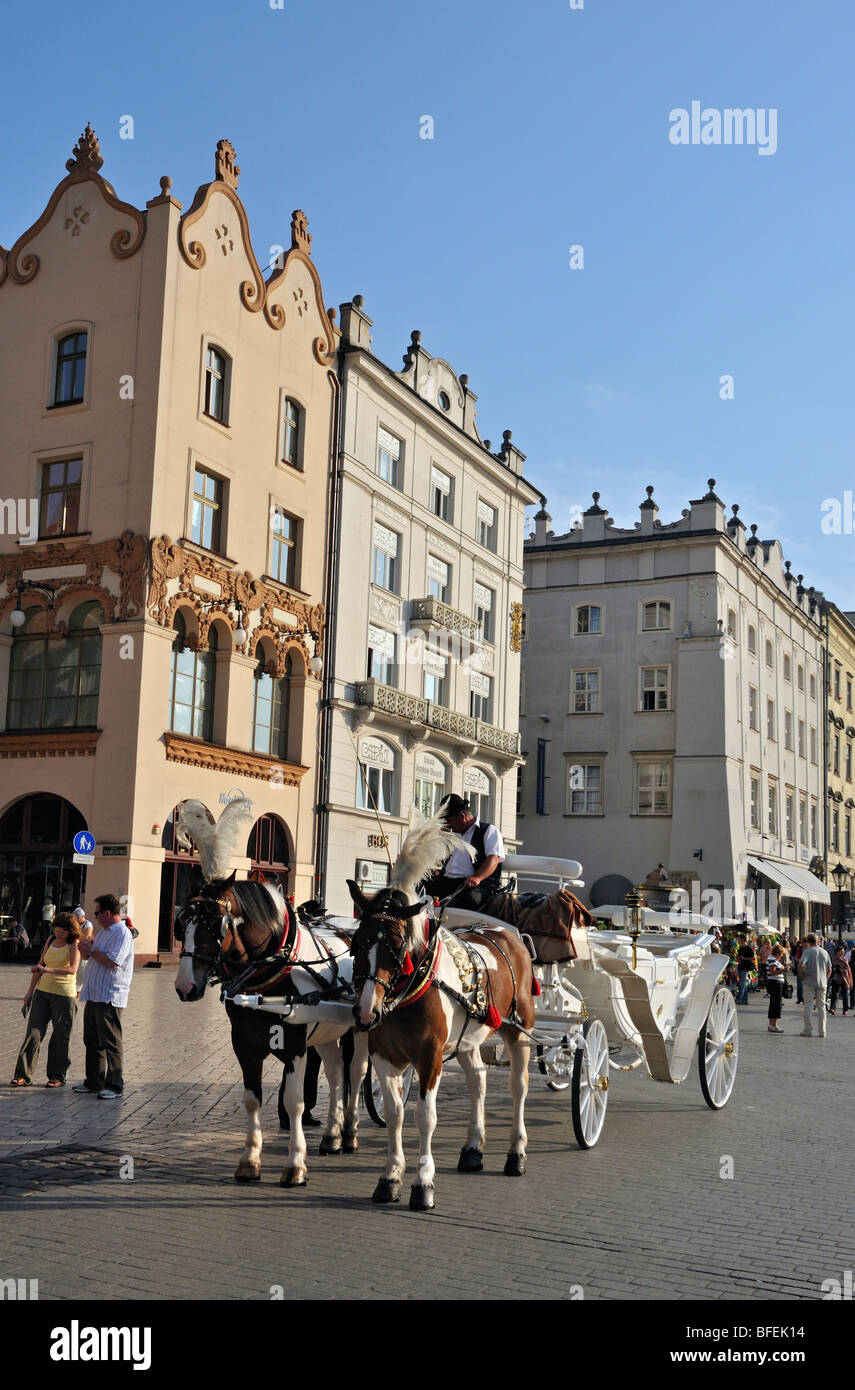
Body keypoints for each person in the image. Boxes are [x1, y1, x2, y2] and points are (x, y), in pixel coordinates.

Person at [72, 894, 135, 1099]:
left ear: (108, 913)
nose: (95, 916)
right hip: (94, 993)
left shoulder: (122, 933)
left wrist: (92, 951)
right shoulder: (104, 932)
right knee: (92, 1040)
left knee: (111, 1041)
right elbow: (95, 956)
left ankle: (115, 1084)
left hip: (110, 995)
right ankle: (94, 1081)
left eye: (98, 912)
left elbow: (112, 961)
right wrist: (87, 951)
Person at [10, 912, 81, 1087]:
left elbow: (73, 969)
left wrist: (47, 970)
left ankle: (57, 1076)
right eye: (57, 931)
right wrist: (29, 994)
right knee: (33, 1033)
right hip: (43, 992)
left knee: (60, 1036)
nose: (59, 935)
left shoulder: (74, 944)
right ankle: (23, 1075)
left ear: (70, 931)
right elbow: (39, 966)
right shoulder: (50, 941)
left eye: (62, 932)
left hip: (64, 995)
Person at [421, 794, 505, 911]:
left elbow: (494, 859)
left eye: (448, 821)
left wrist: (477, 877)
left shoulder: (489, 831)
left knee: (469, 900)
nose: (447, 825)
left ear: (461, 817)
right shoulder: (451, 833)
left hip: (476, 884)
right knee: (418, 887)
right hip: (448, 882)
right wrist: (439, 838)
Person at [799, 933, 831, 1038]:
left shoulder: (807, 951)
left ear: (808, 942)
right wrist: (825, 978)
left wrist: (801, 974)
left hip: (809, 981)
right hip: (822, 983)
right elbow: (829, 969)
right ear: (818, 941)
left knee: (808, 1005)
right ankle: (822, 1031)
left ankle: (808, 1030)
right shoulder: (824, 952)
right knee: (821, 1007)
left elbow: (801, 963)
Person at [765, 943, 786, 1033]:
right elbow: (772, 972)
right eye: (781, 954)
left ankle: (771, 1024)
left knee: (774, 1003)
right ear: (778, 953)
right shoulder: (773, 960)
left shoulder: (772, 959)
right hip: (775, 983)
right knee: (776, 1004)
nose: (782, 956)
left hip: (774, 983)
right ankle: (773, 1024)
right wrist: (783, 970)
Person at [829, 945, 852, 1016]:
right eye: (841, 951)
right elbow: (831, 968)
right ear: (837, 952)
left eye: (843, 951)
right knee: (834, 994)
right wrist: (835, 969)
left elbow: (847, 970)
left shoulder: (845, 960)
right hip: (836, 978)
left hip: (844, 979)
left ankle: (845, 1010)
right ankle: (832, 1008)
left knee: (845, 995)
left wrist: (840, 970)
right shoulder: (833, 959)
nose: (843, 953)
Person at [736, 936, 756, 1005]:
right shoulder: (740, 948)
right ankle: (745, 1000)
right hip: (740, 967)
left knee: (742, 984)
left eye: (740, 940)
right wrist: (738, 959)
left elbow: (753, 958)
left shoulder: (748, 948)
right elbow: (739, 957)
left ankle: (740, 999)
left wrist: (744, 958)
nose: (739, 941)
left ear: (743, 940)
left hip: (745, 967)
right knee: (742, 984)